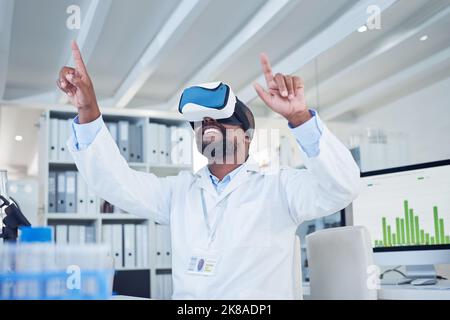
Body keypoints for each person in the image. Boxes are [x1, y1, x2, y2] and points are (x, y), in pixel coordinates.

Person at [57, 41, 361, 299]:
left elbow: (342, 188)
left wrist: (300, 118)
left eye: (217, 120)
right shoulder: (178, 191)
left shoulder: (279, 187)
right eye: (201, 122)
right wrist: (88, 111)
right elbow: (115, 183)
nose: (207, 126)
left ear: (246, 134)